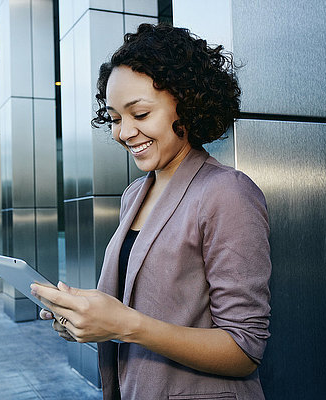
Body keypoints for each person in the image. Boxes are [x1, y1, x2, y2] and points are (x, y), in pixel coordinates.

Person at [30, 23, 271, 400]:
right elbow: (136, 304)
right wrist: (86, 319)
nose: (123, 133)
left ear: (187, 104)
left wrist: (125, 325)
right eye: (114, 118)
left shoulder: (228, 194)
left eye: (139, 114)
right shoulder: (134, 195)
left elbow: (244, 350)